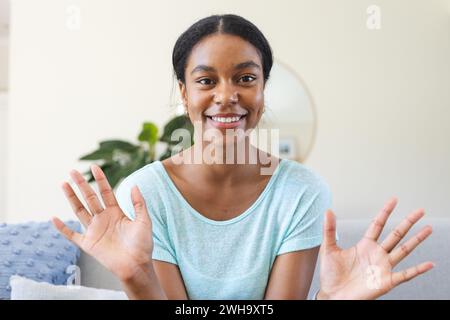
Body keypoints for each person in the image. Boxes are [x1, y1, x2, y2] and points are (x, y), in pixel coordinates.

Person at [52, 14, 434, 300]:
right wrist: (138, 279)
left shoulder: (301, 192)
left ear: (264, 89)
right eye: (206, 81)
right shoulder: (145, 194)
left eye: (245, 78)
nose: (226, 95)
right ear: (184, 94)